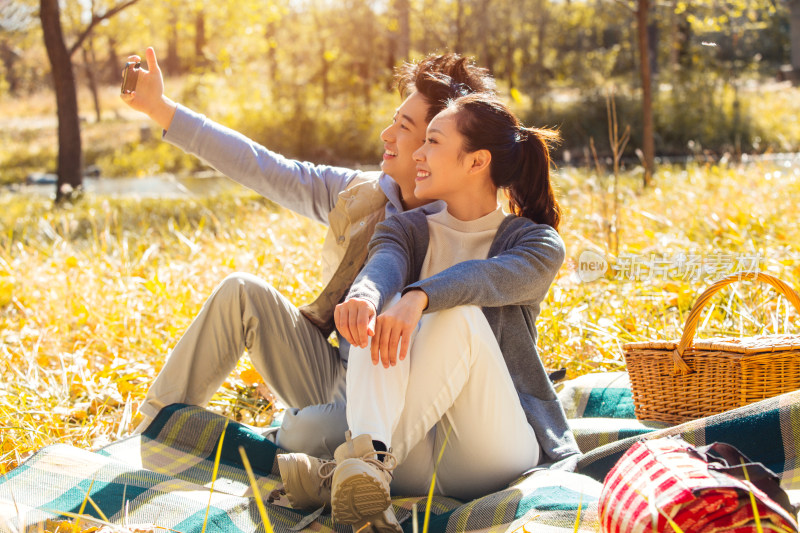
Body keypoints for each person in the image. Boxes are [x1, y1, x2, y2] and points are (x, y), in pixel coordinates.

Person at [119, 47, 497, 457]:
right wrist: (160, 108)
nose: (386, 136)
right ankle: (152, 431)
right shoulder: (361, 194)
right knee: (240, 292)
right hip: (337, 375)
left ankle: (338, 447)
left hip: (416, 408)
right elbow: (264, 167)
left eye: (403, 127)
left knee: (302, 435)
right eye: (392, 121)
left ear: (438, 141)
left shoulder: (467, 223)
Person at [278, 92, 580, 532]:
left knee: (457, 314)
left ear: (476, 162)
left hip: (491, 449)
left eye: (433, 142)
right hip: (409, 454)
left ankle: (343, 475)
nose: (416, 153)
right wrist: (362, 297)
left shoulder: (535, 244)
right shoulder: (404, 228)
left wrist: (418, 296)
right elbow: (382, 267)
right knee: (373, 315)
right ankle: (367, 474)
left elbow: (482, 279)